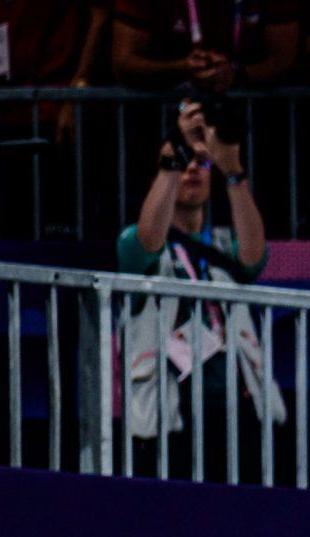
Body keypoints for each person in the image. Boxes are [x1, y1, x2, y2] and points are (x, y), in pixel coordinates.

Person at [117, 100, 282, 477]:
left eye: (201, 163)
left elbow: (254, 259)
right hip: (169, 407)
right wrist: (173, 153)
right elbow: (147, 240)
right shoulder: (137, 244)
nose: (193, 169)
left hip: (233, 402)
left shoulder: (226, 243)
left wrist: (232, 169)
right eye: (184, 162)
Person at [109, 0, 293, 89]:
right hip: (160, 120)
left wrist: (236, 76)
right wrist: (181, 67)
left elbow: (286, 58)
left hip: (258, 123)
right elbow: (123, 63)